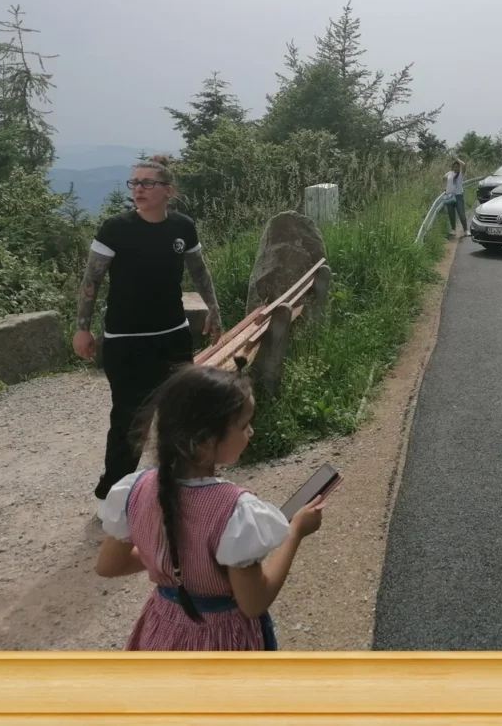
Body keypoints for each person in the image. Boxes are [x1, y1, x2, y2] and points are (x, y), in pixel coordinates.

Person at [94, 361, 327, 651]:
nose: (251, 432)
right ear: (204, 440)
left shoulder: (134, 489)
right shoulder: (235, 511)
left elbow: (109, 565)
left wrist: (170, 554)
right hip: (221, 641)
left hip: (161, 631)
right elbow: (254, 603)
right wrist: (295, 532)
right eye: (243, 425)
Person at [73, 155, 224, 501]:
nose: (138, 189)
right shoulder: (115, 228)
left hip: (173, 336)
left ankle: (183, 486)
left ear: (168, 191)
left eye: (147, 183)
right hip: (126, 341)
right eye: (135, 183)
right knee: (129, 420)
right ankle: (113, 495)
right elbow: (91, 280)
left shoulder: (182, 227)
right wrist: (82, 327)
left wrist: (214, 309)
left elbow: (199, 270)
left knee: (182, 413)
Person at [444, 158, 469, 238]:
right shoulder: (449, 174)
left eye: (457, 167)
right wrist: (445, 187)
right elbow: (444, 179)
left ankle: (465, 230)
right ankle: (453, 229)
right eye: (455, 167)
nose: (456, 168)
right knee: (451, 214)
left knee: (461, 213)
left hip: (458, 196)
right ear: (452, 167)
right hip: (449, 196)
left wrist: (456, 159)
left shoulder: (460, 174)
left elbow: (464, 165)